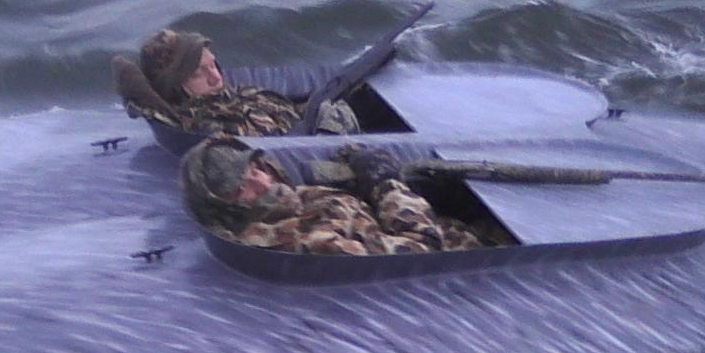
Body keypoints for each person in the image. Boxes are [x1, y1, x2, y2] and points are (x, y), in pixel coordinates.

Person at [181, 135, 485, 255]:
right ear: (225, 207)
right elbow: (423, 249)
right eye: (240, 189)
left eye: (255, 170)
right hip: (465, 260)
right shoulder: (303, 241)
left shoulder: (287, 204)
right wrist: (386, 185)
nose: (261, 184)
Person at [112, 28, 358, 137]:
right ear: (177, 87)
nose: (216, 77)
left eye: (214, 65)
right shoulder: (210, 124)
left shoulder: (237, 95)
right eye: (200, 73)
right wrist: (326, 114)